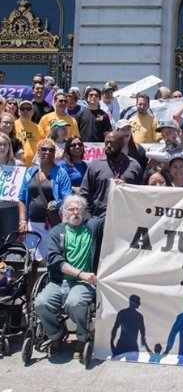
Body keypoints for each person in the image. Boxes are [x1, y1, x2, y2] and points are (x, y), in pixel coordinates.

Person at [34, 195, 104, 359]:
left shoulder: (92, 226)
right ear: (63, 213)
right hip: (59, 281)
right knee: (40, 303)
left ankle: (82, 336)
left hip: (83, 283)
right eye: (71, 209)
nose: (75, 212)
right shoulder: (56, 232)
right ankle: (56, 334)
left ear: (84, 212)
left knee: (75, 302)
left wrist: (119, 190)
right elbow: (55, 260)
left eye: (79, 208)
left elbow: (112, 216)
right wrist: (80, 273)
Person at [18, 138, 72, 290]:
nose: (47, 152)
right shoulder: (30, 172)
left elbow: (68, 197)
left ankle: (50, 297)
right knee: (31, 263)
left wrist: (58, 203)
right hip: (32, 225)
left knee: (53, 260)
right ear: (38, 151)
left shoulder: (60, 173)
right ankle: (28, 302)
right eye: (44, 149)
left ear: (55, 153)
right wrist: (22, 221)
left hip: (53, 224)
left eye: (51, 150)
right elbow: (21, 198)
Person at [80, 131, 143, 218]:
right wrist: (89, 220)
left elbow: (141, 194)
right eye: (106, 143)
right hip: (100, 218)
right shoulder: (95, 165)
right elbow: (84, 193)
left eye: (112, 143)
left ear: (122, 144)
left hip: (127, 219)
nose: (108, 146)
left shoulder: (134, 166)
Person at [111, 294, 150, 358]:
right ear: (133, 303)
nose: (139, 304)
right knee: (119, 362)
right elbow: (115, 328)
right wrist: (111, 342)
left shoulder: (123, 313)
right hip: (129, 345)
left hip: (127, 344)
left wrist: (111, 342)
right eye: (137, 302)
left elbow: (142, 332)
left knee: (129, 363)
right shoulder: (138, 316)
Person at [0, 134, 20, 242]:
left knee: (10, 241)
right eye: (0, 145)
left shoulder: (18, 165)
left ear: (9, 146)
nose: (2, 148)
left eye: (5, 145)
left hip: (11, 209)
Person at [14, 99, 43, 166]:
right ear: (18, 111)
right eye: (22, 108)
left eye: (28, 108)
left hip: (33, 167)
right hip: (16, 165)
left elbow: (42, 147)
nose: (25, 110)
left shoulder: (38, 128)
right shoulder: (12, 126)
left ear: (32, 112)